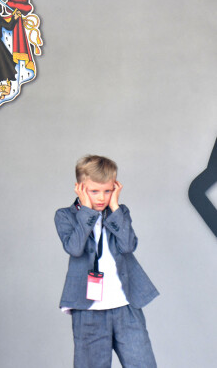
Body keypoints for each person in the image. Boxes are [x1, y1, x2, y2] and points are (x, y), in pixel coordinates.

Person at [54, 155, 158, 368]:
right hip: (88, 310)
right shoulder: (65, 216)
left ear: (115, 188)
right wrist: (87, 212)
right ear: (80, 188)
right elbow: (74, 248)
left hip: (126, 305)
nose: (101, 197)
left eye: (107, 191)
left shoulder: (119, 213)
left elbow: (128, 246)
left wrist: (116, 207)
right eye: (94, 191)